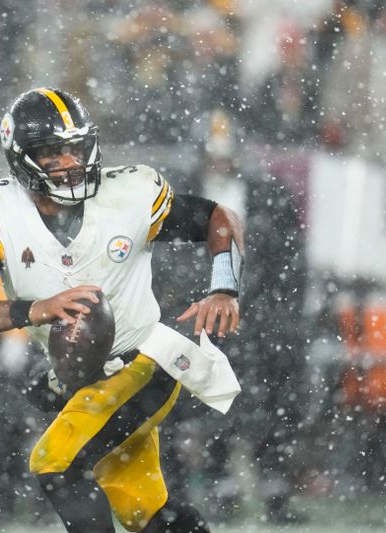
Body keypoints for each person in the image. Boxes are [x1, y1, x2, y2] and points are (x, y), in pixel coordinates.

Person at [0, 88, 245, 533]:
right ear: (22, 159)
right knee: (146, 511)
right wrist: (34, 310)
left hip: (146, 362)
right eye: (52, 153)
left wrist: (224, 287)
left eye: (75, 148)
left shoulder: (130, 193)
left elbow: (221, 217)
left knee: (54, 464)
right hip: (82, 377)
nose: (70, 162)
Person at [161, 110, 308, 524]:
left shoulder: (266, 196)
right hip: (203, 319)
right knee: (207, 405)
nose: (220, 164)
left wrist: (269, 310)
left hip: (258, 320)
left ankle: (274, 490)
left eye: (225, 156)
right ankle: (216, 486)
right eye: (213, 156)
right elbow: (167, 264)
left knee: (268, 405)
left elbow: (289, 261)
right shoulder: (181, 203)